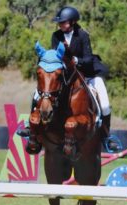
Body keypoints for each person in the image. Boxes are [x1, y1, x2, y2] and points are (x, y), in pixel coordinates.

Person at [18, 6, 120, 153]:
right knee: (38, 92)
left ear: (72, 22)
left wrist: (75, 60)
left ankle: (106, 136)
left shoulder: (82, 35)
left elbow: (88, 58)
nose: (61, 25)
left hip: (87, 72)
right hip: (65, 74)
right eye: (60, 23)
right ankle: (31, 127)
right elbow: (54, 56)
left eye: (63, 22)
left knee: (104, 102)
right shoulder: (56, 35)